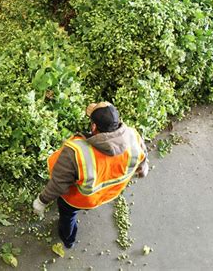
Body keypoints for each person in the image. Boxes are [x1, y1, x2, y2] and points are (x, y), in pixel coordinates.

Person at [32, 101, 149, 248]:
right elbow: (143, 156)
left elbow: (58, 184)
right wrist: (143, 168)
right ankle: (69, 239)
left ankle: (68, 240)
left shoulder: (76, 151)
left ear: (93, 126)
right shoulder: (133, 136)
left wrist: (42, 201)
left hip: (79, 199)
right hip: (109, 193)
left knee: (68, 216)